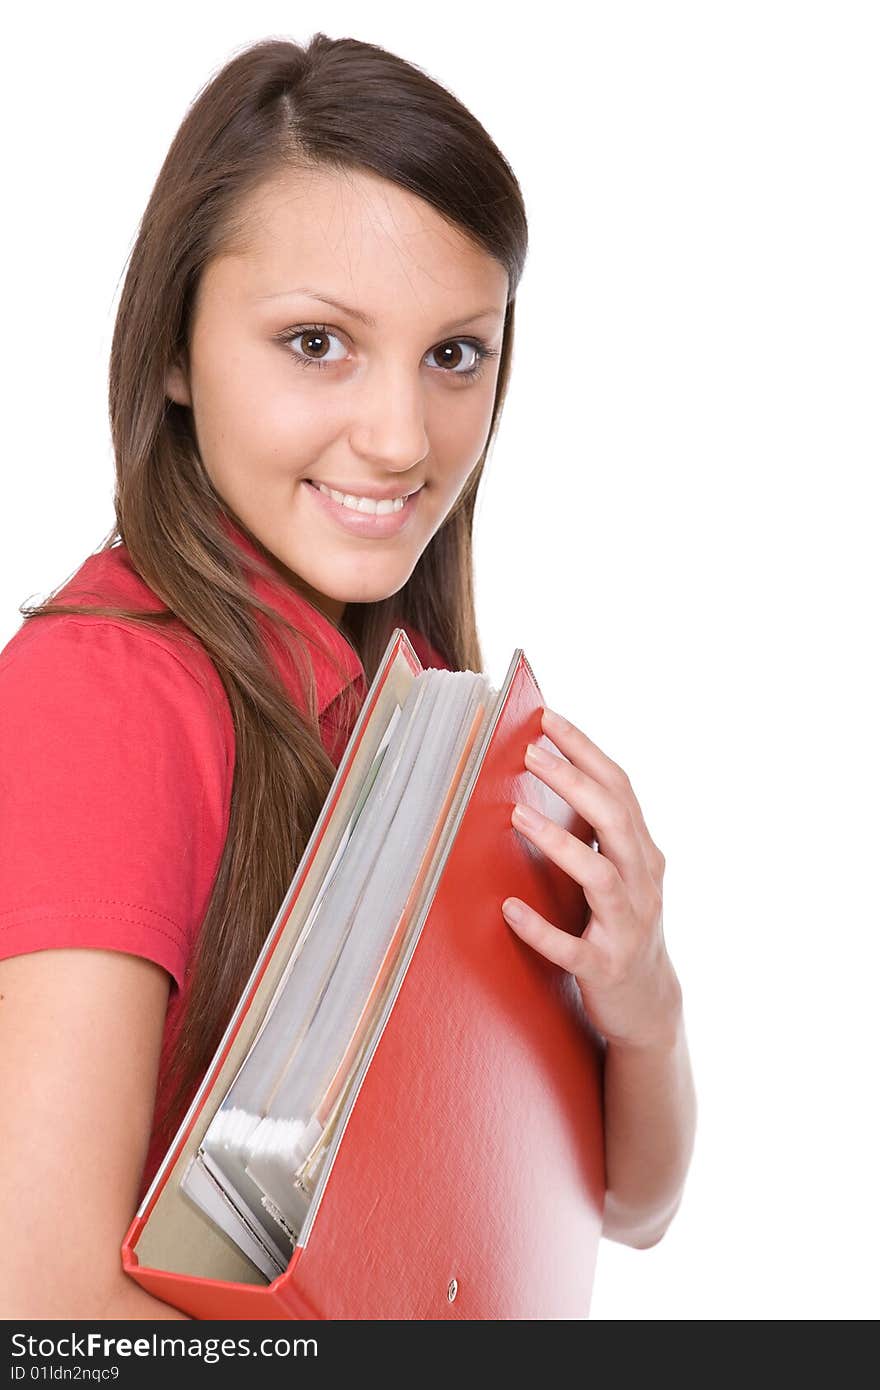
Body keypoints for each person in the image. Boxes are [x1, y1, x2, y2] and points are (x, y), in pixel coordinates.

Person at [0, 33, 696, 1320]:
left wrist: (640, 995)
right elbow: (44, 1303)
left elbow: (619, 1206)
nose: (398, 439)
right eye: (316, 342)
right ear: (172, 353)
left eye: (454, 355)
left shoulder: (417, 701)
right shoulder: (103, 700)